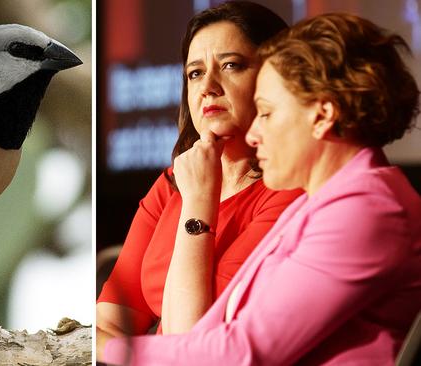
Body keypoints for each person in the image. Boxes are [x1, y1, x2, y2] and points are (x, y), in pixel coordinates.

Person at [99, 12, 421, 365]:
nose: (253, 134)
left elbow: (238, 352)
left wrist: (107, 349)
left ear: (323, 114)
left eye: (266, 113)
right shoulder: (328, 202)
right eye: (193, 73)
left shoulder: (366, 207)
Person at [97, 1, 302, 355]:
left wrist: (197, 202)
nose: (208, 86)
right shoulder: (173, 181)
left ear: (275, 79)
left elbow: (191, 346)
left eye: (231, 65)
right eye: (194, 73)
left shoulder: (291, 192)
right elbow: (106, 324)